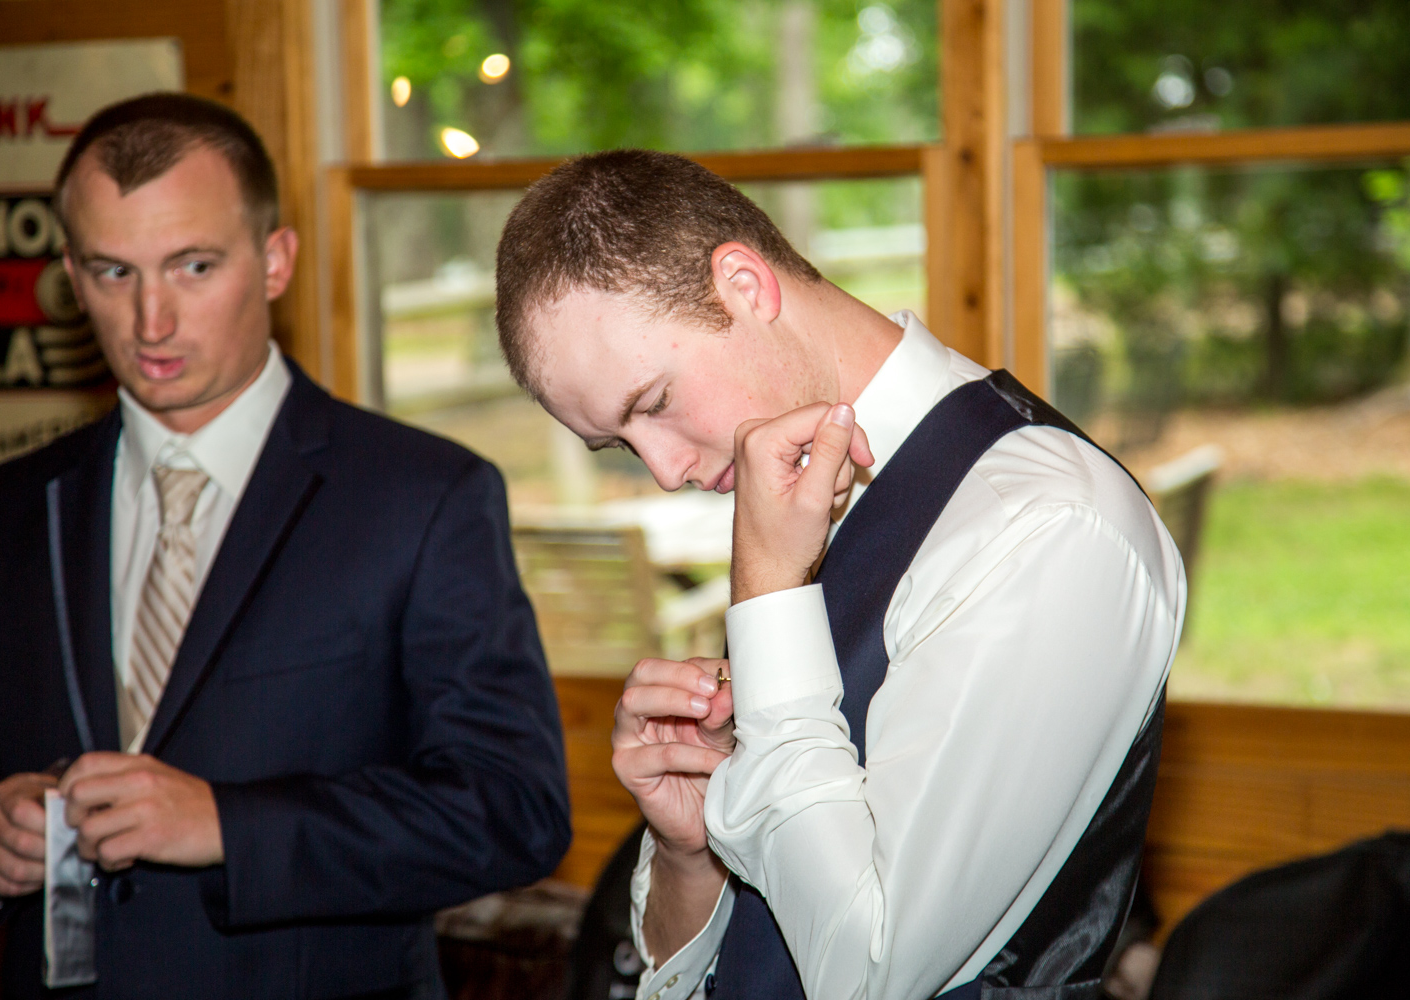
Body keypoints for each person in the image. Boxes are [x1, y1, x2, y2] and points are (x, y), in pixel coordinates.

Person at [493, 149, 1185, 1000]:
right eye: (620, 445)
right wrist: (691, 850)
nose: (665, 470)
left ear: (745, 285)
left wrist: (769, 598)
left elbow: (868, 970)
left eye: (655, 403)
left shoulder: (1044, 522)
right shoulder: (786, 495)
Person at [0, 93, 570, 999]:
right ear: (70, 273)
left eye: (193, 266)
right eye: (112, 271)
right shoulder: (5, 510)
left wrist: (228, 826)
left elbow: (513, 811)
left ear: (275, 260)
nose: (151, 320)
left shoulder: (423, 497)